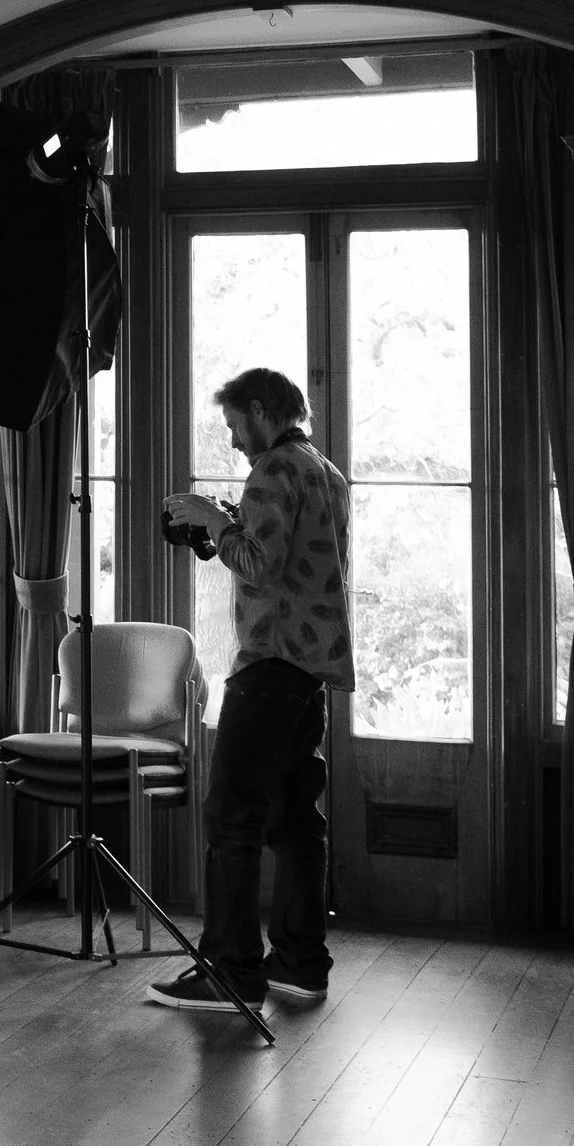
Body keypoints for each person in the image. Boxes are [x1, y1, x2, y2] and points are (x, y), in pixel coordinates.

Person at [154, 363, 353, 1018]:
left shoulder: (272, 469)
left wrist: (214, 517)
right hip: (309, 668)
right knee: (296, 818)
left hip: (269, 662)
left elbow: (260, 567)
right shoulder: (321, 468)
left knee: (232, 817)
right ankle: (300, 964)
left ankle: (231, 972)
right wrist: (226, 522)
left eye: (237, 426)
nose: (236, 441)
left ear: (264, 412)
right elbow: (289, 555)